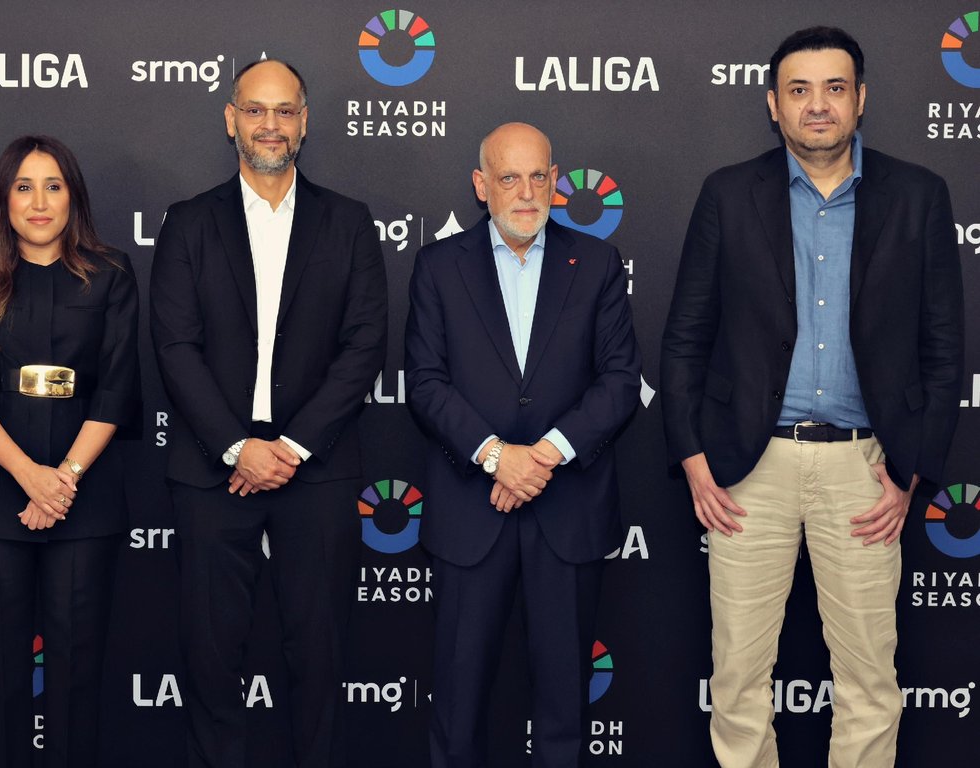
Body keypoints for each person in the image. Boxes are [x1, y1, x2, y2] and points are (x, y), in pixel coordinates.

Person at [660, 26, 963, 768]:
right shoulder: (727, 194)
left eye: (834, 88)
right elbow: (685, 339)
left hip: (867, 471)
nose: (817, 105)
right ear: (774, 104)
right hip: (748, 470)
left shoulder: (919, 195)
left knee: (869, 682)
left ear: (860, 99)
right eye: (799, 90)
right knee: (737, 678)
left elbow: (943, 348)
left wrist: (910, 472)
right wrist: (694, 460)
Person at [149, 59, 387, 768]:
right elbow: (175, 347)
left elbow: (365, 345)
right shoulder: (188, 223)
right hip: (212, 472)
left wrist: (292, 447)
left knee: (320, 656)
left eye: (285, 111)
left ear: (304, 123)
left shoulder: (349, 222)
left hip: (316, 472)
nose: (270, 125)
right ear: (231, 120)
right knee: (209, 658)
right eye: (255, 110)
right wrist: (236, 447)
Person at [405, 122, 640, 767]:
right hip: (469, 514)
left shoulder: (597, 263)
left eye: (539, 176)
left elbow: (621, 381)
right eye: (509, 177)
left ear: (556, 181)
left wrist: (541, 457)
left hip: (567, 512)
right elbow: (425, 383)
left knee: (565, 711)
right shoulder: (438, 266)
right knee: (457, 709)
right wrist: (494, 456)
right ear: (481, 186)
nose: (527, 192)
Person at [0, 134, 140, 767]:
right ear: (1, 199)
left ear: (73, 198)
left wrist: (63, 479)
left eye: (53, 186)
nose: (39, 202)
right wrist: (30, 477)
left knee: (78, 679)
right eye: (23, 187)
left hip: (85, 498)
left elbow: (118, 387)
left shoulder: (112, 273)